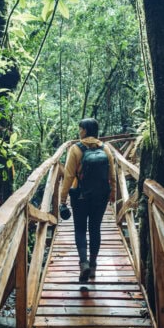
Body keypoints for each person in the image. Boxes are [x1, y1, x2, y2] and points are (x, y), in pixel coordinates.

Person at [58, 118, 116, 283]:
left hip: (80, 196)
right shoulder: (106, 149)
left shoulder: (75, 149)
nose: (79, 131)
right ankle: (93, 265)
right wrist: (113, 194)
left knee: (80, 229)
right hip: (101, 195)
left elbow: (68, 176)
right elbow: (112, 175)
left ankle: (83, 263)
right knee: (95, 228)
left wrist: (63, 199)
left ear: (84, 130)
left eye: (80, 128)